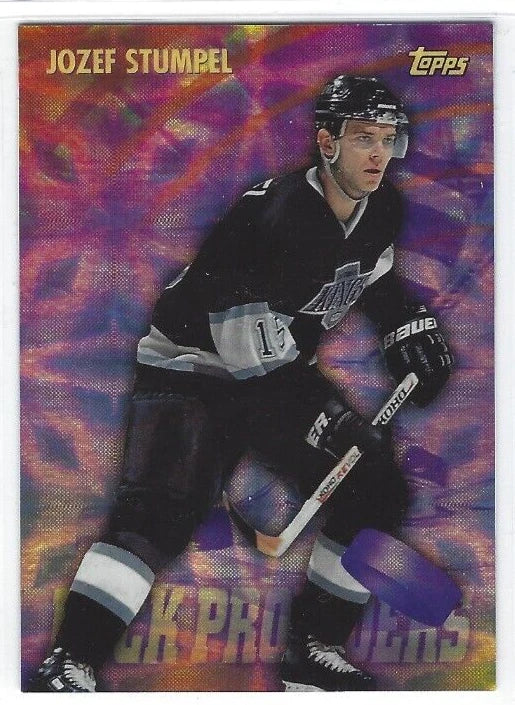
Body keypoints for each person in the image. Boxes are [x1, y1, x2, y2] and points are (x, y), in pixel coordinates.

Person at [30, 75, 452, 692]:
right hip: (190, 370)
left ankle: (313, 654)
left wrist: (405, 325)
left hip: (274, 371)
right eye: (364, 138)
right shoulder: (275, 214)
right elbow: (244, 356)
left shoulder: (382, 207)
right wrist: (321, 425)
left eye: (389, 140)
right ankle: (70, 664)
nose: (378, 155)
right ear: (327, 142)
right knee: (160, 514)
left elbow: (371, 277)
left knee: (374, 485)